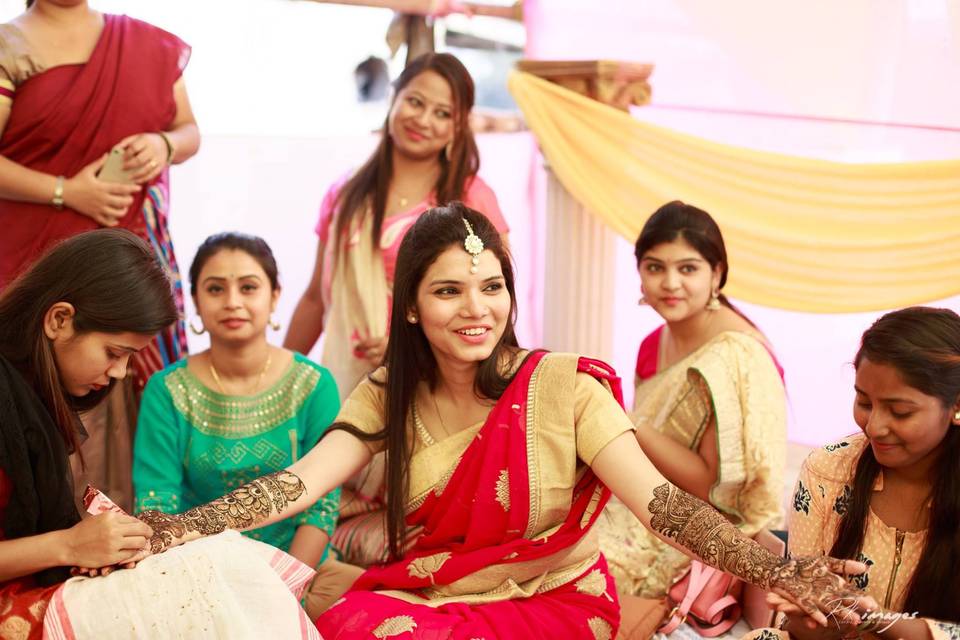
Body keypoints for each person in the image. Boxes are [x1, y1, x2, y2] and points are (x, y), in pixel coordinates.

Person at [139, 203, 869, 639]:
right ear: (412, 308)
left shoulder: (564, 388)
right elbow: (298, 484)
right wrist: (171, 531)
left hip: (553, 596)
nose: (477, 308)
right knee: (353, 625)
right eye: (450, 291)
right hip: (440, 591)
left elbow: (666, 506)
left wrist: (785, 569)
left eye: (492, 287)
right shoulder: (391, 389)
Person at [0, 0, 201, 510]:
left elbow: (189, 131)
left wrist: (163, 143)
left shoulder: (145, 42)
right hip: (31, 258)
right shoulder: (11, 45)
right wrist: (66, 192)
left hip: (123, 268)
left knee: (115, 378)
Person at [284, 52, 508, 403]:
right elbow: (316, 298)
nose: (423, 119)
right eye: (415, 102)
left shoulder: (471, 198)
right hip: (349, 385)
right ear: (394, 98)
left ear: (458, 126)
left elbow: (495, 302)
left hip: (437, 389)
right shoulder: (345, 195)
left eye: (442, 113)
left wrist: (408, 347)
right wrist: (278, 376)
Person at [597, 200, 788, 597]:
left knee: (578, 566)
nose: (669, 283)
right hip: (641, 494)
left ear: (716, 273)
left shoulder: (735, 355)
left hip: (699, 526)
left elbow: (715, 488)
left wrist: (630, 425)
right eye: (655, 268)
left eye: (688, 268)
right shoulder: (653, 344)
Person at [132, 233, 342, 573]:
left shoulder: (315, 385)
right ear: (195, 301)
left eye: (248, 288)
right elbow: (156, 503)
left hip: (300, 568)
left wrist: (287, 585)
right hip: (196, 569)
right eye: (215, 289)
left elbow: (321, 508)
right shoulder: (168, 390)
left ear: (275, 296)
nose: (232, 301)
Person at [0, 230, 174, 638]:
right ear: (59, 320)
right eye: (114, 353)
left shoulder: (29, 394)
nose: (119, 373)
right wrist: (69, 545)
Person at [764, 307, 960, 640]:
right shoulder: (828, 471)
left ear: (955, 406)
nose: (874, 427)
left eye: (900, 411)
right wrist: (815, 618)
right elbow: (797, 623)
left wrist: (876, 621)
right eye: (864, 402)